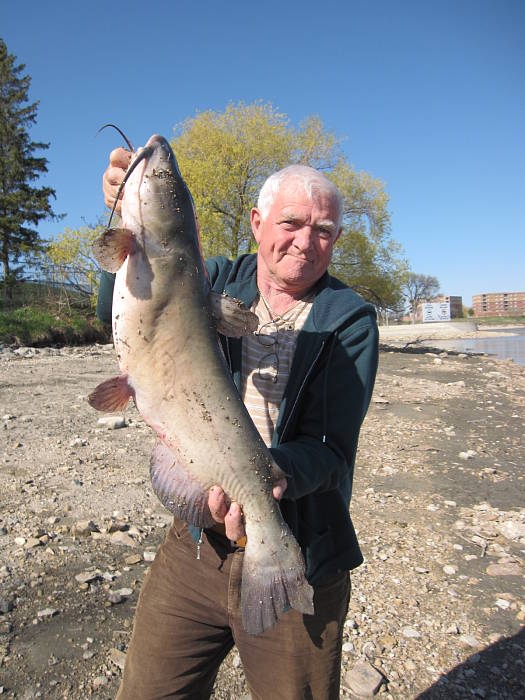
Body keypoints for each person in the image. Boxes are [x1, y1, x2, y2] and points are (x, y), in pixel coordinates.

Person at [99, 147, 379, 700]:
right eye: (291, 223)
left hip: (298, 546)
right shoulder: (216, 279)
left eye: (323, 230)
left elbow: (331, 452)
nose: (305, 241)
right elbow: (126, 297)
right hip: (196, 547)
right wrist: (117, 216)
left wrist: (265, 478)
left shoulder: (350, 320)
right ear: (256, 223)